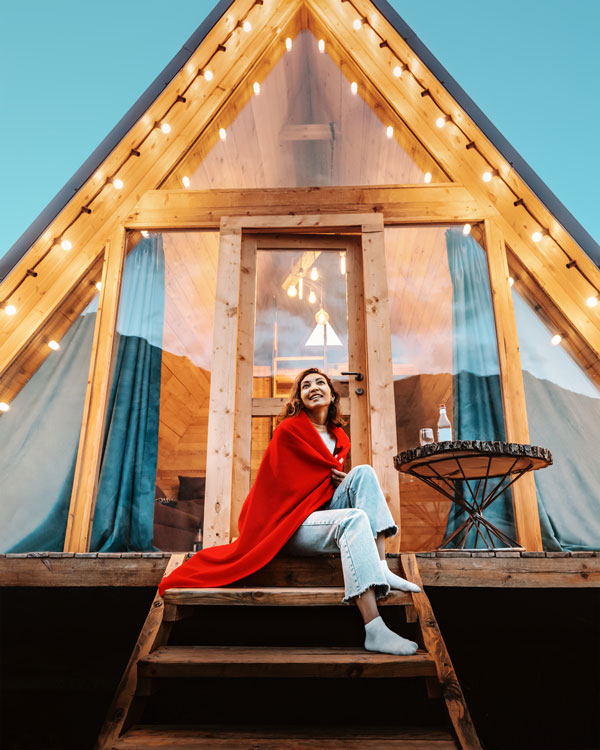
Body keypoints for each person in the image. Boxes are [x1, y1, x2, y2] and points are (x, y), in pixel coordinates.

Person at [158, 367, 420, 656]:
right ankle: (374, 629)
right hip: (290, 527)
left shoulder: (339, 438)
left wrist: (340, 484)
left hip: (319, 516)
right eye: (306, 385)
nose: (313, 387)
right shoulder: (289, 432)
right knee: (354, 518)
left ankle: (381, 567)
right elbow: (279, 489)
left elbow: (319, 486)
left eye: (320, 382)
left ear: (332, 395)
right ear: (300, 398)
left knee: (364, 474)